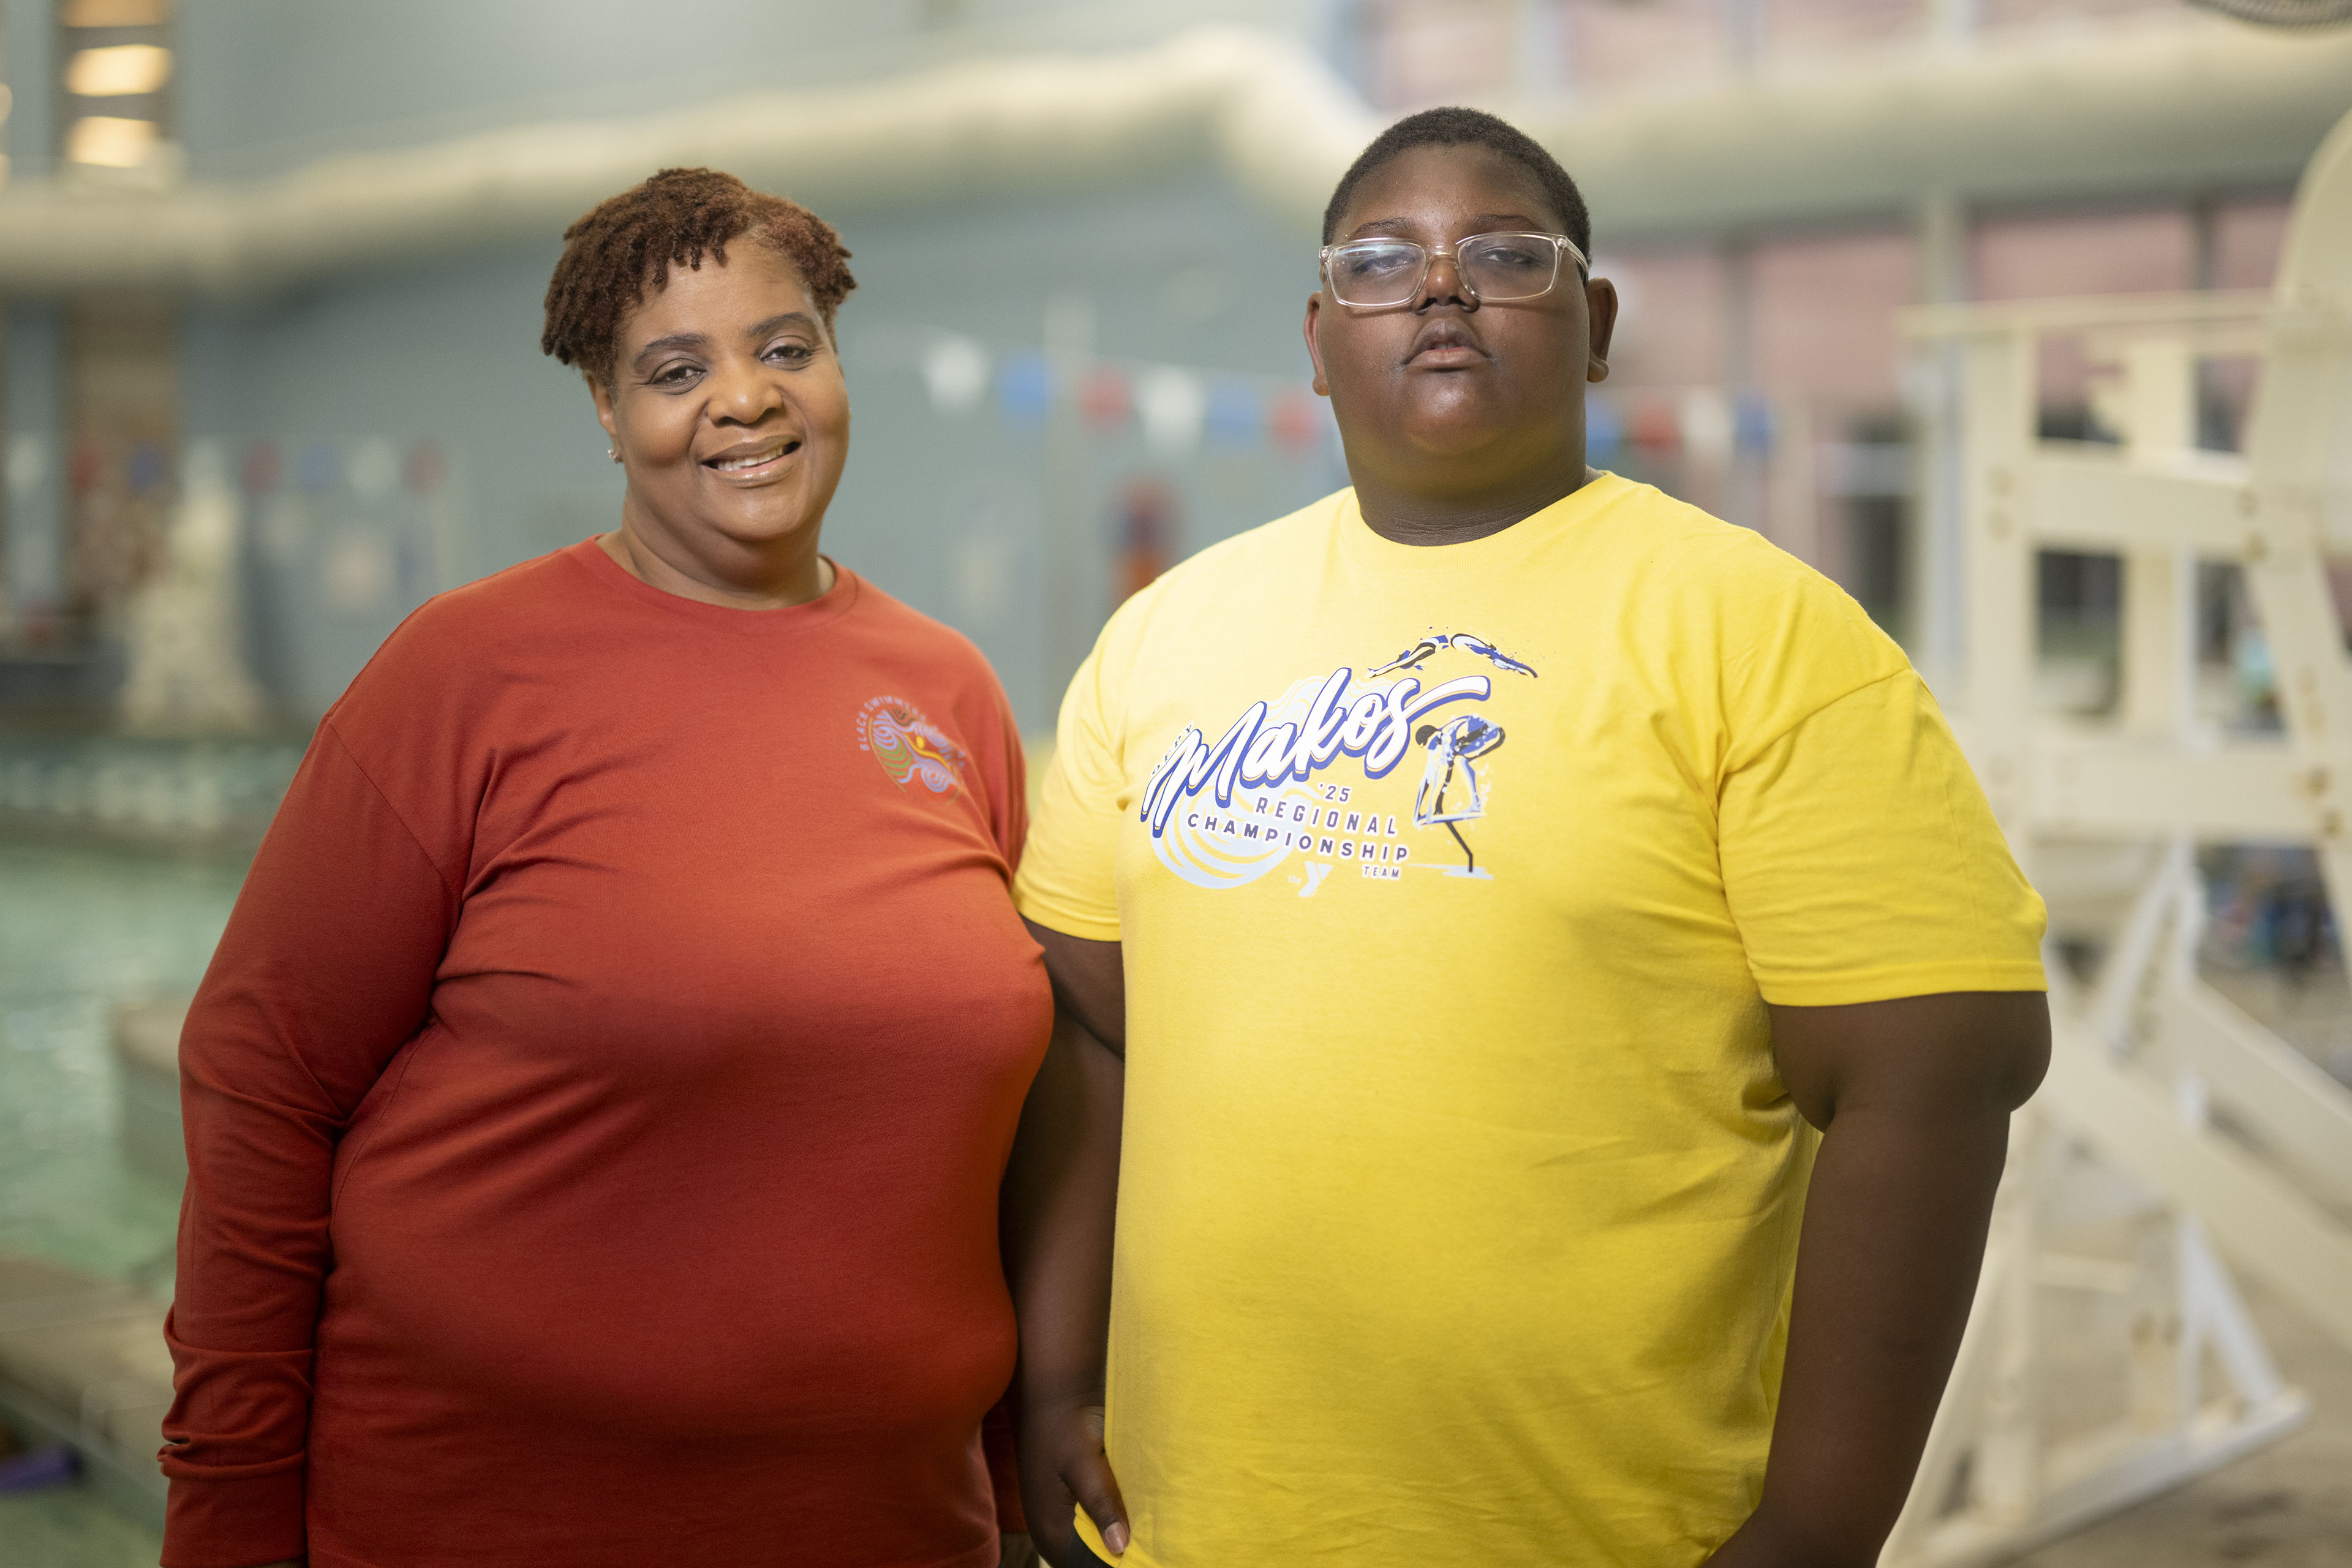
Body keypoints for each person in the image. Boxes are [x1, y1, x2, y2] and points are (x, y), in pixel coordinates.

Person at [1005, 108, 2050, 1568]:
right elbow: (1085, 1029)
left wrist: (1817, 1525)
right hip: (1195, 1517)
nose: (1441, 287)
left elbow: (1936, 1072)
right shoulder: (1163, 635)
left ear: (1595, 324)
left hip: (1604, 1525)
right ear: (1318, 340)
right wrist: (1058, 1371)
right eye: (1382, 262)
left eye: (1503, 255)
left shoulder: (1763, 633)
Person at [160, 168, 1044, 1568]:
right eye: (675, 370)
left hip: (895, 1524)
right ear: (606, 410)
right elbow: (262, 1077)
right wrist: (229, 1509)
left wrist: (1013, 1471)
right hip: (490, 1517)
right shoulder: (465, 676)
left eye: (786, 346)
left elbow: (988, 1149)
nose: (744, 398)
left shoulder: (949, 693)